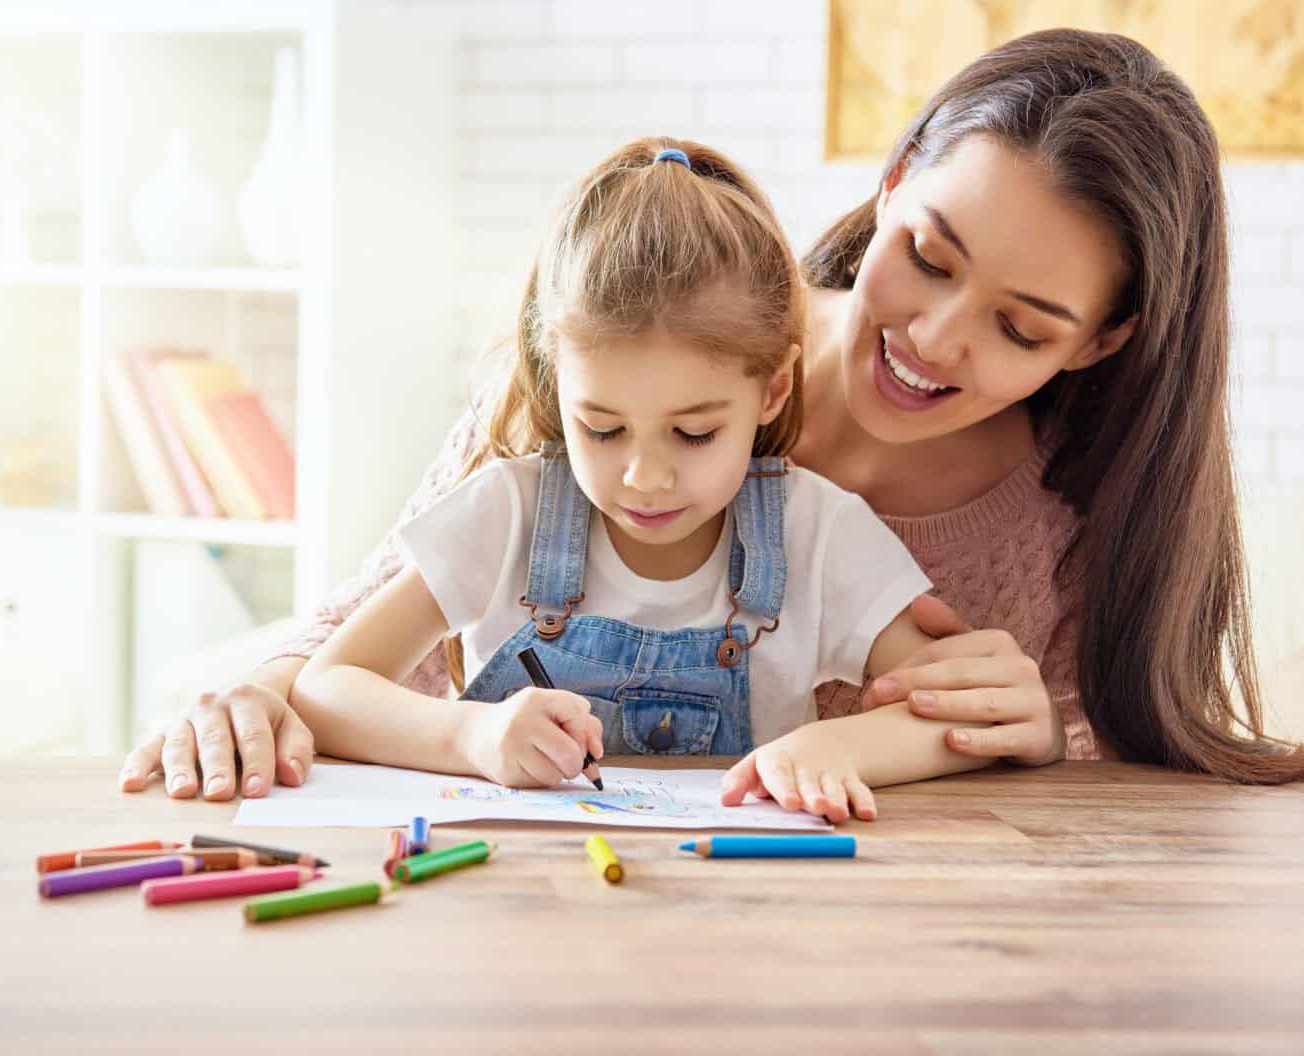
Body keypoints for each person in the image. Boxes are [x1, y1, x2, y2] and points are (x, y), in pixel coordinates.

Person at [121, 28, 1303, 803]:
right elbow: (356, 637)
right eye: (928, 256)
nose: (938, 337)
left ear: (1101, 340)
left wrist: (1038, 736)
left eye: (1022, 328)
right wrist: (253, 691)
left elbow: (1095, 799)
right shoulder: (646, 335)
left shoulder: (1070, 518)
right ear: (889, 187)